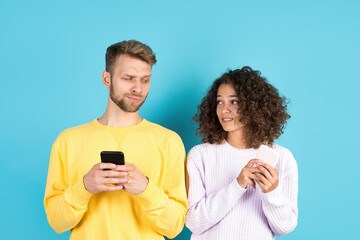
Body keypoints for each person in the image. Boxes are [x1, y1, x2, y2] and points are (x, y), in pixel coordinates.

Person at [44, 40, 187, 240]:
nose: (138, 88)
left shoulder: (169, 142)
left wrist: (145, 189)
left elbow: (174, 227)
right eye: (129, 78)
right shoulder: (68, 141)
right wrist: (84, 187)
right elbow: (57, 223)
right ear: (106, 78)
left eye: (145, 80)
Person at [185, 67, 298, 239]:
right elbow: (194, 222)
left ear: (254, 106)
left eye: (234, 102)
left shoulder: (282, 158)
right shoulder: (200, 155)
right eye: (219, 102)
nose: (224, 110)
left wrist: (271, 192)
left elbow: (285, 227)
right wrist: (238, 185)